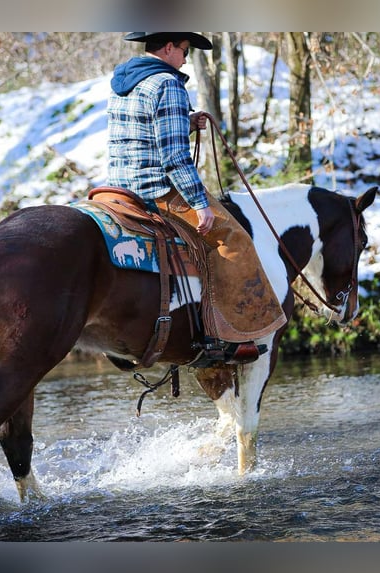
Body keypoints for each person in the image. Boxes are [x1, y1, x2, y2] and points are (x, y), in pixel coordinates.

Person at [106, 32, 286, 361]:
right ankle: (232, 336)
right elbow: (174, 158)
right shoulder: (167, 85)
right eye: (185, 51)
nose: (186, 59)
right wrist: (199, 203)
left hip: (117, 187)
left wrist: (185, 121)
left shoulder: (125, 80)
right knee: (233, 238)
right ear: (170, 46)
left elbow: (143, 128)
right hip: (155, 188)